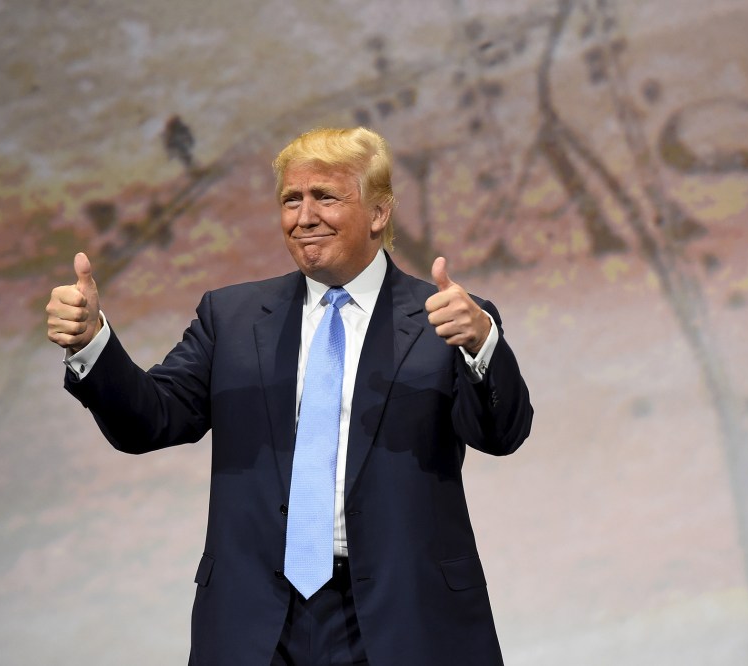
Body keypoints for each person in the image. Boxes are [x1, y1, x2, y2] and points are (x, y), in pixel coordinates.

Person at [46, 127, 533, 665]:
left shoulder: (445, 316)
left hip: (403, 616)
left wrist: (482, 341)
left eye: (325, 196)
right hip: (256, 620)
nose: (304, 216)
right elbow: (150, 421)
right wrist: (93, 343)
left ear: (378, 212)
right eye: (290, 200)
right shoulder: (230, 319)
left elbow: (501, 434)